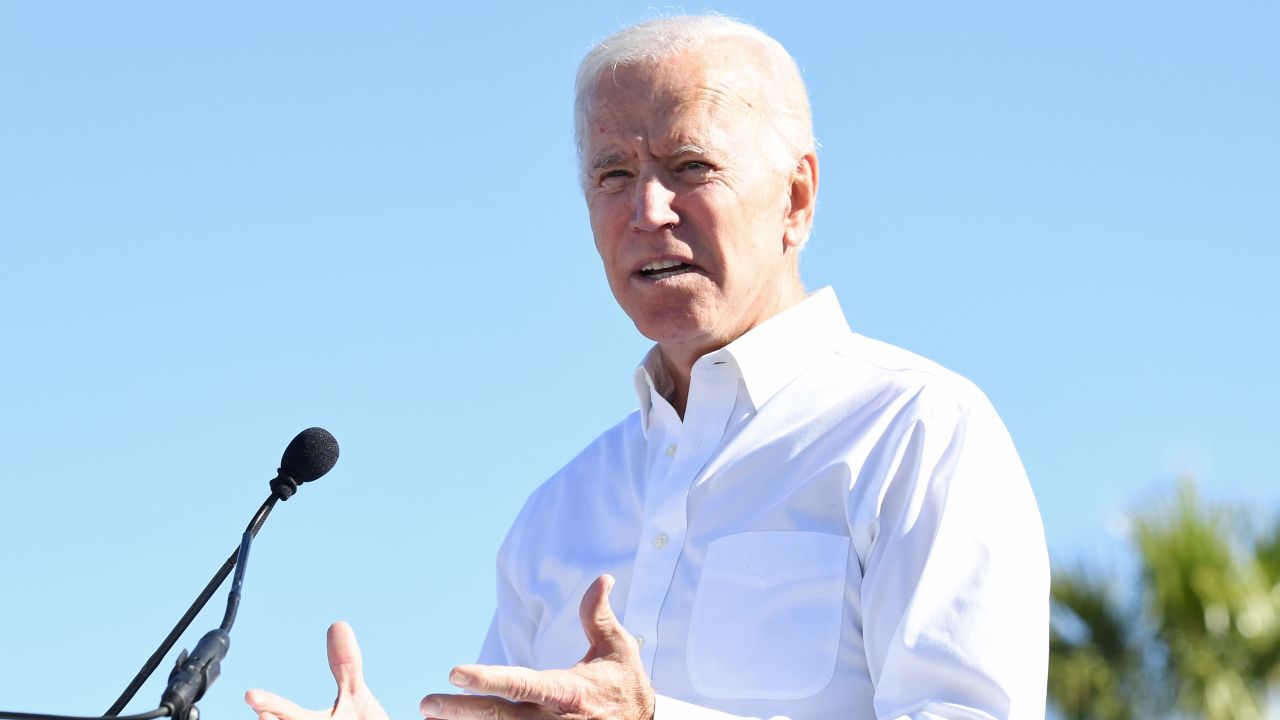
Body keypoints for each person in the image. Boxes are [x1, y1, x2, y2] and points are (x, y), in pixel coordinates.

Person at [245, 14, 1049, 720]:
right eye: (613, 175)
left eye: (690, 166)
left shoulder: (915, 434)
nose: (647, 210)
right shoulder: (556, 513)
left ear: (797, 198)